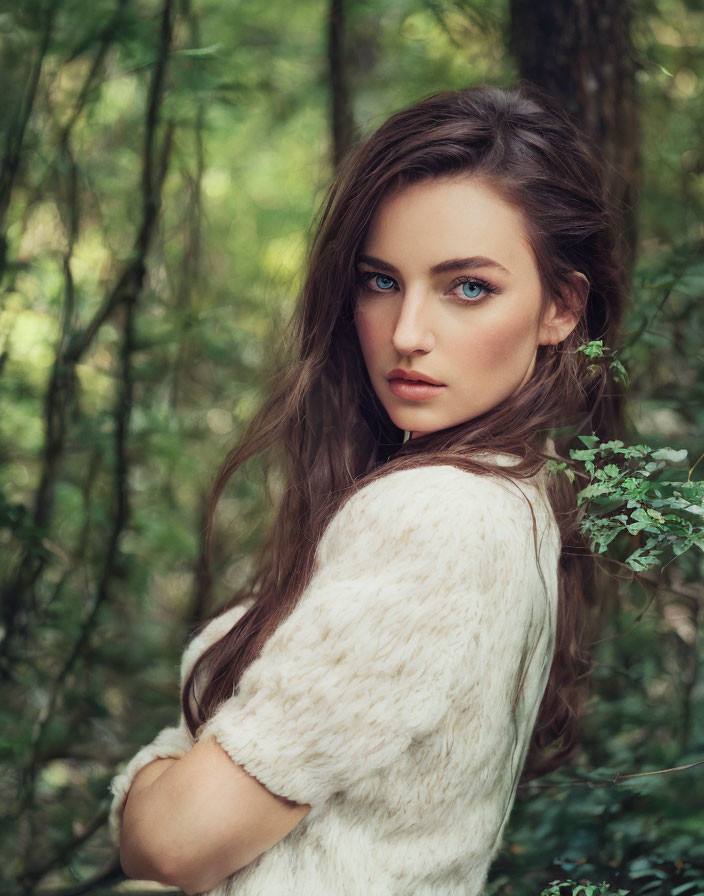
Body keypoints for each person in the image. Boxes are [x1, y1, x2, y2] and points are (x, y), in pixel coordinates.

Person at [108, 82, 625, 895]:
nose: (408, 334)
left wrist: (152, 773)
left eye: (468, 288)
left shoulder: (441, 514)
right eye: (380, 281)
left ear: (561, 307)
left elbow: (175, 845)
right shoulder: (516, 496)